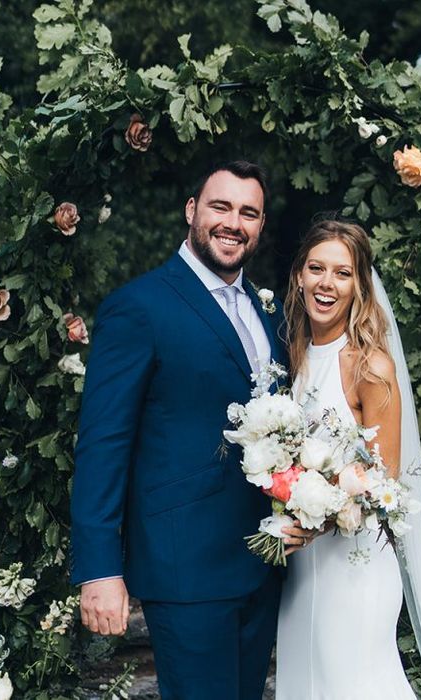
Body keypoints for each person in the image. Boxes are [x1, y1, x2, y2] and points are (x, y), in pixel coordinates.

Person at [70, 160, 312, 700]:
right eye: (220, 207)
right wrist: (100, 570)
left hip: (261, 563)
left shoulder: (267, 310)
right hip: (186, 568)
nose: (233, 222)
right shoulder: (139, 308)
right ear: (192, 211)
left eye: (248, 213)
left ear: (261, 226)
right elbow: (104, 445)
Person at [275, 219, 421, 699]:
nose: (326, 284)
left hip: (354, 563)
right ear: (299, 277)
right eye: (316, 269)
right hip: (302, 566)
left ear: (360, 286)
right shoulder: (295, 354)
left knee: (358, 683)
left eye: (342, 273)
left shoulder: (370, 364)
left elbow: (384, 478)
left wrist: (321, 518)